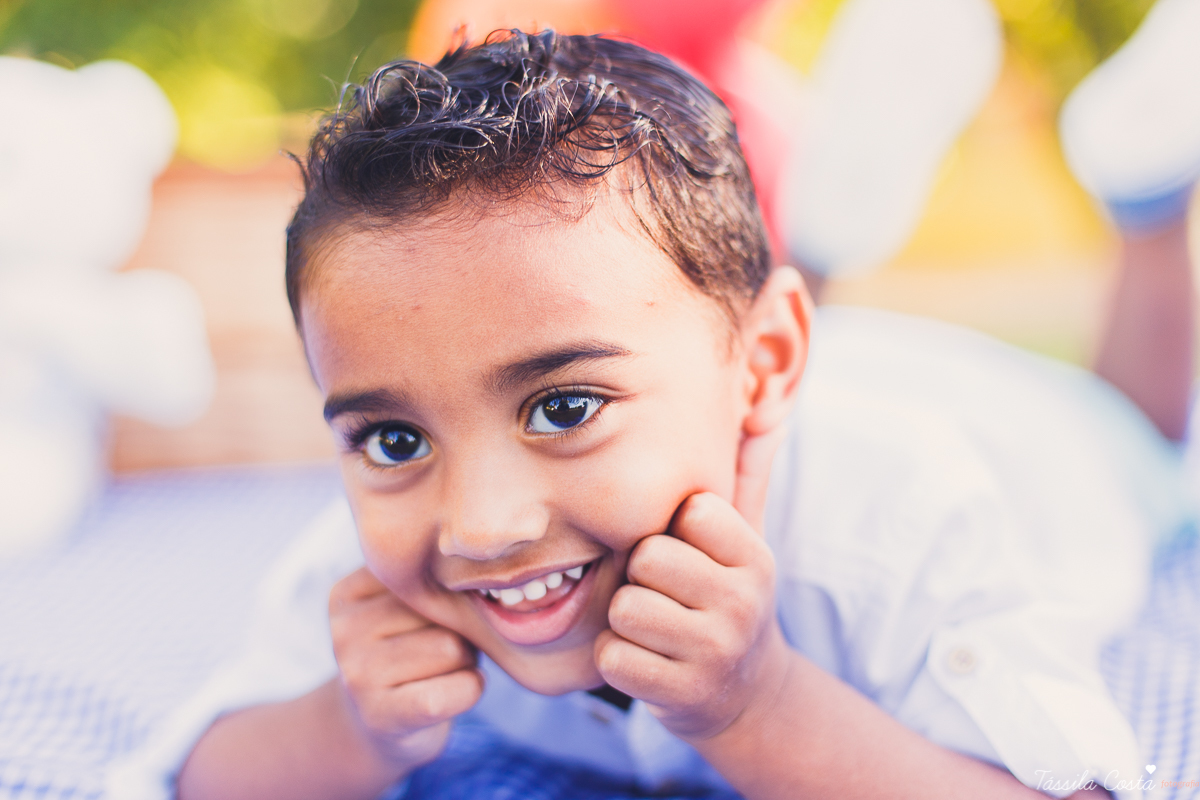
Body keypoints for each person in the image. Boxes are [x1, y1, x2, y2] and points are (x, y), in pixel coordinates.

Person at [107, 16, 1199, 800]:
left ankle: (1143, 193)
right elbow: (186, 768)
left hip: (1017, 433)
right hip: (742, 368)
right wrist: (347, 730)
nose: (483, 521)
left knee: (1137, 434)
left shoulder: (903, 519)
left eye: (564, 405)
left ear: (772, 364)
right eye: (394, 437)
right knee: (696, 319)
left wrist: (758, 705)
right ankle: (824, 229)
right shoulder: (392, 567)